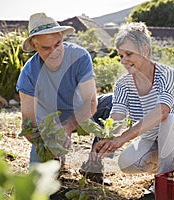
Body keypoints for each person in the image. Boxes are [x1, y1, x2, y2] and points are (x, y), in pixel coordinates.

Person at [94, 22, 174, 180]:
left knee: (170, 120)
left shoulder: (167, 74)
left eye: (129, 54)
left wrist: (122, 139)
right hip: (155, 142)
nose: (123, 60)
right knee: (127, 162)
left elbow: (162, 111)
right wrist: (107, 138)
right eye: (121, 55)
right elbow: (117, 117)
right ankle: (169, 167)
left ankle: (163, 182)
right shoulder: (123, 84)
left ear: (145, 50)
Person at [16, 12, 112, 184]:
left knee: (115, 103)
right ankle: (57, 161)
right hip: (49, 126)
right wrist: (46, 145)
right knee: (39, 181)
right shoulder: (28, 74)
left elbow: (91, 102)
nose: (54, 52)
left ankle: (93, 164)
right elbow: (28, 124)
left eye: (58, 44)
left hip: (82, 114)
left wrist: (67, 126)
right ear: (34, 46)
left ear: (62, 37)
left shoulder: (80, 57)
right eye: (46, 48)